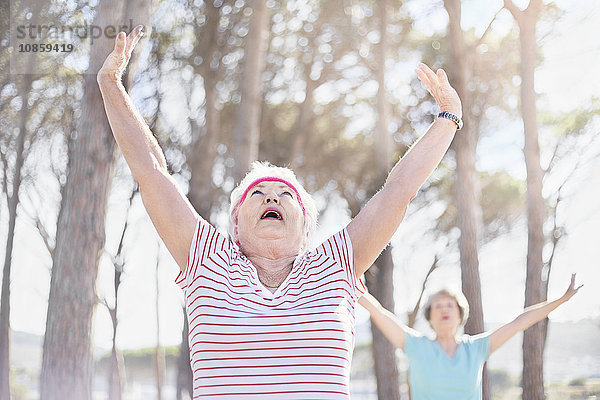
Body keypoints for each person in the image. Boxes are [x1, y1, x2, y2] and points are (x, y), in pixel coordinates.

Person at [97, 26, 463, 399]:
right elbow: (151, 172)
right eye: (256, 193)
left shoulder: (336, 264)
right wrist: (111, 84)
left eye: (285, 194)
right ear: (235, 225)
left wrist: (449, 117)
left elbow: (398, 191)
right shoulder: (209, 261)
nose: (271, 198)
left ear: (306, 227)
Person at [358, 274, 583, 400]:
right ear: (430, 316)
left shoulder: (476, 348)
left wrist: (561, 300)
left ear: (460, 314)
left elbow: (519, 322)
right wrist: (354, 287)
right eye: (438, 306)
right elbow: (379, 313)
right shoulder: (415, 346)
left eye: (449, 305)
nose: (444, 310)